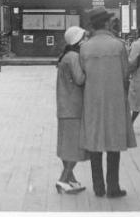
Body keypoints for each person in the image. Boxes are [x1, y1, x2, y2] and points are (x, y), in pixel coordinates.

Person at [78, 7, 136, 198]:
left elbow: (81, 76)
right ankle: (113, 187)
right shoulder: (118, 45)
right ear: (106, 23)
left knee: (95, 144)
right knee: (113, 144)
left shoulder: (85, 47)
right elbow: (126, 73)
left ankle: (98, 187)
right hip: (115, 101)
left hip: (92, 101)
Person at [55, 26, 88, 194]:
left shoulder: (65, 57)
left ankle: (72, 180)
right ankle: (63, 180)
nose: (86, 40)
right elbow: (80, 79)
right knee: (75, 147)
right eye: (84, 37)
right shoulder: (74, 57)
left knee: (66, 146)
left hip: (64, 107)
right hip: (74, 107)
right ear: (79, 40)